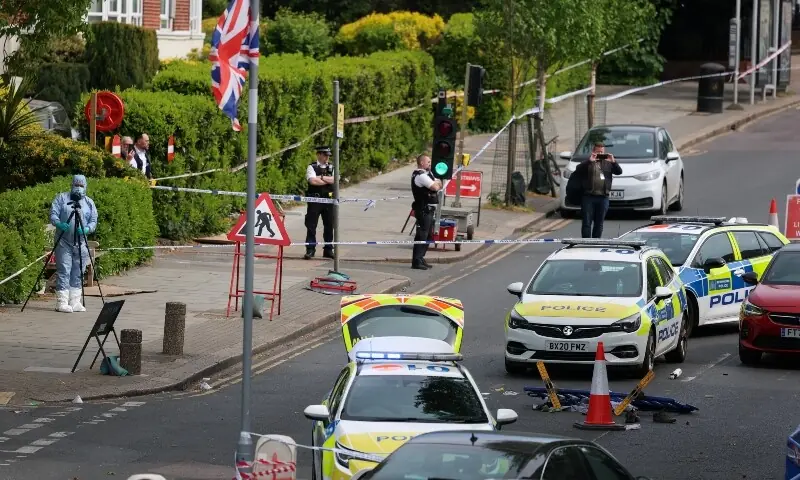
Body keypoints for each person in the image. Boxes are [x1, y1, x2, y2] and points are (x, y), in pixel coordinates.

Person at [49, 175, 98, 313]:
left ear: (85, 187)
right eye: (76, 184)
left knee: (78, 270)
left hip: (81, 242)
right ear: (71, 185)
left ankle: (75, 300)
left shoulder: (89, 203)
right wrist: (58, 223)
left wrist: (87, 229)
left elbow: (93, 220)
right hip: (64, 241)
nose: (78, 187)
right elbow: (53, 214)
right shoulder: (61, 198)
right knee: (64, 269)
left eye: (81, 185)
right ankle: (62, 301)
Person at [572, 141, 622, 238]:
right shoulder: (588, 162)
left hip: (603, 197)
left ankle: (596, 242)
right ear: (593, 152)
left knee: (599, 223)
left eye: (602, 152)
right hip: (588, 197)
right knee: (587, 222)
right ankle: (586, 243)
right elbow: (578, 169)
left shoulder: (608, 163)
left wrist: (614, 161)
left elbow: (619, 172)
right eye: (598, 152)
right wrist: (589, 161)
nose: (600, 154)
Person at [411, 154, 442, 270]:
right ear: (422, 163)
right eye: (428, 162)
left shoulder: (428, 174)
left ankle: (421, 258)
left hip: (428, 209)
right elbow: (435, 187)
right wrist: (436, 184)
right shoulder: (421, 176)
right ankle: (416, 261)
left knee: (428, 235)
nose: (430, 164)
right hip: (423, 209)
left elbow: (439, 184)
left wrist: (437, 183)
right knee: (422, 235)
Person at [304, 145, 335, 260]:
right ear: (319, 155)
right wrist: (327, 180)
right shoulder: (311, 167)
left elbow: (335, 180)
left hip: (328, 199)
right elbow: (312, 181)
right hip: (315, 200)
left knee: (329, 225)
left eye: (328, 155)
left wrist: (321, 177)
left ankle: (328, 250)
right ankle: (310, 249)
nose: (327, 157)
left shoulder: (332, 167)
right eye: (325, 155)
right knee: (311, 225)